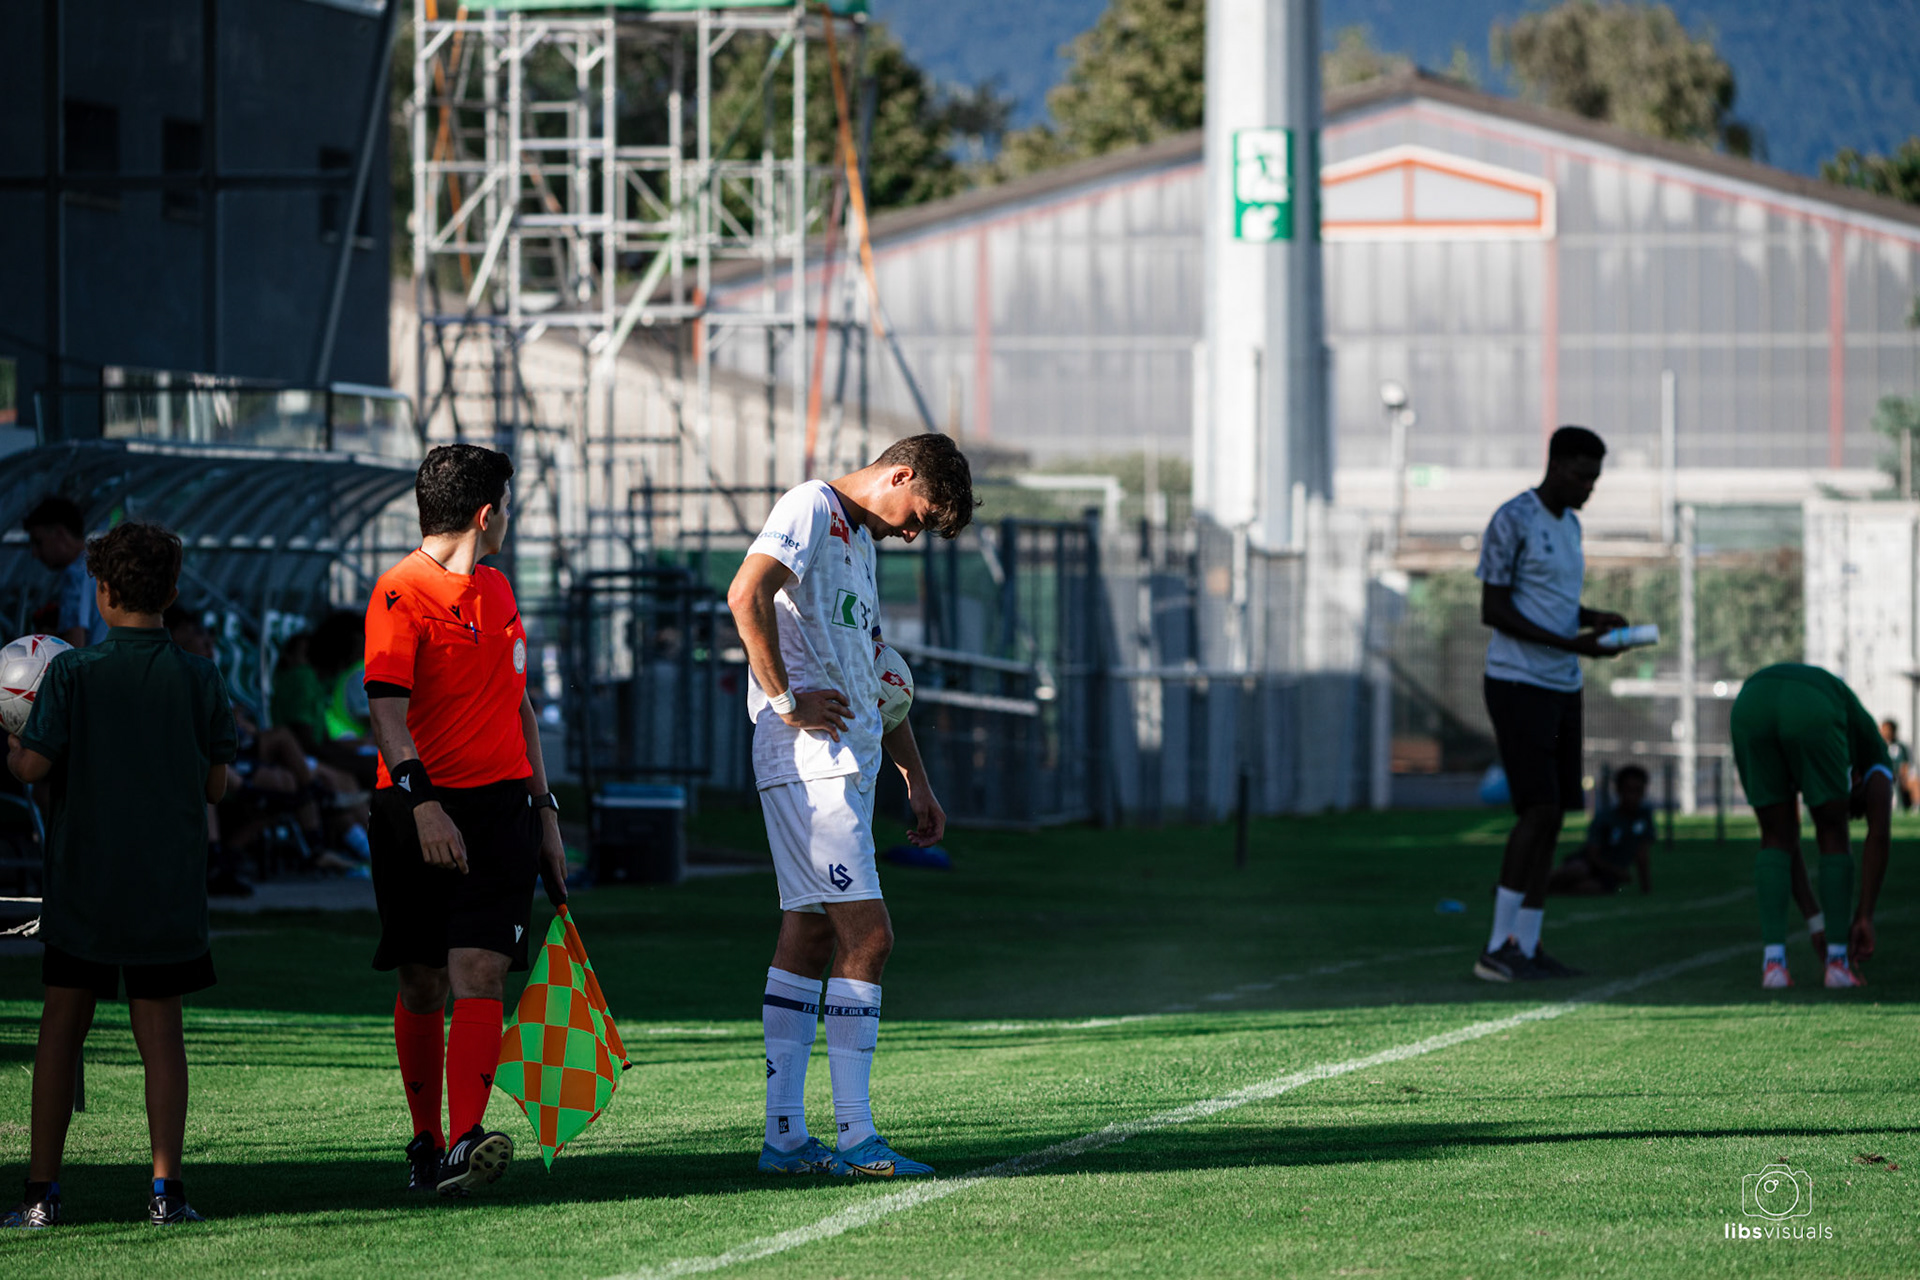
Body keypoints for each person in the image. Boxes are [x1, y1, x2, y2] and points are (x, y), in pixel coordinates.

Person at [726, 433, 976, 1179]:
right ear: (898, 473)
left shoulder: (860, 547)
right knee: (870, 941)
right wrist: (784, 699)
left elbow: (874, 678)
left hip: (849, 769)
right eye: (917, 515)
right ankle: (858, 1136)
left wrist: (916, 781)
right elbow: (746, 593)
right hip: (811, 766)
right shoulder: (809, 505)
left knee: (807, 938)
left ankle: (784, 1141)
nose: (910, 533)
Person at [2, 522, 236, 1229]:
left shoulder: (71, 671)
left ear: (101, 594)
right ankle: (167, 1193)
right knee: (161, 1035)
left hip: (86, 885)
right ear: (171, 592)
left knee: (60, 1031)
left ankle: (42, 1195)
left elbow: (36, 768)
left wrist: (16, 743)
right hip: (166, 889)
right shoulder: (200, 675)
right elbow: (219, 786)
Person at [361, 443, 566, 1198]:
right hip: (416, 811)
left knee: (479, 971)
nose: (508, 520)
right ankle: (424, 1141)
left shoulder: (500, 590)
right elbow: (385, 713)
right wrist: (423, 805)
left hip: (503, 811)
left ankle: (462, 1141)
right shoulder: (398, 593)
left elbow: (520, 708)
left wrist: (544, 812)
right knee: (422, 982)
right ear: (487, 515)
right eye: (507, 507)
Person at [1472, 426, 1628, 982]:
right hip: (1518, 682)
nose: (1589, 487)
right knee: (1536, 809)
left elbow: (1552, 602)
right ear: (1556, 465)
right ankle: (1497, 946)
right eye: (1583, 475)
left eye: (1595, 478)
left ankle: (1529, 945)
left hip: (1563, 684)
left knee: (1558, 812)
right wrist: (1573, 643)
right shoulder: (1512, 519)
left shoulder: (1572, 526)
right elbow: (1494, 609)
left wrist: (1593, 619)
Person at [1729, 663, 1892, 989]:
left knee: (1774, 837)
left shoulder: (1852, 733)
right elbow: (1879, 834)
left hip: (1750, 701)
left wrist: (1817, 922)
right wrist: (1864, 916)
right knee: (1832, 832)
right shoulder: (1875, 755)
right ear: (1860, 781)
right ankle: (1837, 964)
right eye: (1857, 810)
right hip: (1810, 703)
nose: (1855, 814)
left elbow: (1788, 843)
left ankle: (1773, 966)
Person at [1549, 765, 1654, 896]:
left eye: (1637, 790)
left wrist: (1646, 887)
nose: (1632, 796)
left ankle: (1551, 891)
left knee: (1592, 889)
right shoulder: (1605, 818)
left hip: (1608, 876)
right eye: (1628, 790)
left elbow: (1642, 853)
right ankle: (1537, 884)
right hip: (1589, 864)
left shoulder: (1644, 817)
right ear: (1619, 790)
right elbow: (1592, 854)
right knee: (1577, 870)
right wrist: (1616, 871)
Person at [22, 496, 108, 648]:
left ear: (60, 535)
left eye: (38, 542)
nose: (35, 553)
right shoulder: (101, 566)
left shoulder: (75, 575)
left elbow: (73, 645)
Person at [1881, 718, 1915, 812]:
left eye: (1887, 729)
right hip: (1882, 775)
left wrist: (1903, 777)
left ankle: (1909, 807)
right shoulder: (1879, 745)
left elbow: (1905, 764)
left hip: (1897, 775)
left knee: (1910, 782)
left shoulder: (1900, 746)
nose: (1884, 732)